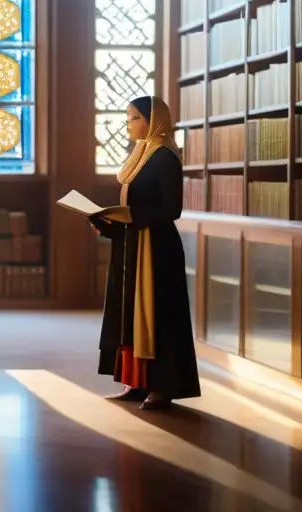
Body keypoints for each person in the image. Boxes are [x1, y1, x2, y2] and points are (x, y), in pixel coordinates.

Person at [91, 95, 201, 411]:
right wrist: (104, 221)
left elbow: (171, 209)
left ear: (153, 121)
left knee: (158, 316)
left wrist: (129, 216)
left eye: (134, 118)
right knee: (131, 315)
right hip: (133, 246)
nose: (129, 124)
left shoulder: (165, 157)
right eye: (128, 118)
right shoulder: (140, 155)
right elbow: (133, 208)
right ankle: (137, 382)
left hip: (157, 250)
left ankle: (163, 387)